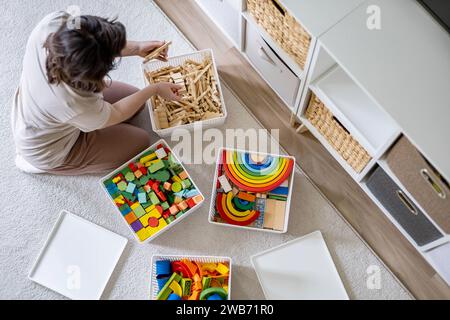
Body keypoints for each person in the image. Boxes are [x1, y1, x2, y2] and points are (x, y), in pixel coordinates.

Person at [11, 11, 182, 175]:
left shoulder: (54, 24)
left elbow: (94, 41)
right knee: (141, 140)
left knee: (136, 101)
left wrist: (137, 47)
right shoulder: (73, 102)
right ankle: (41, 165)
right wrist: (154, 89)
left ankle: (85, 124)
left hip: (49, 112)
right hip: (48, 150)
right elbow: (117, 113)